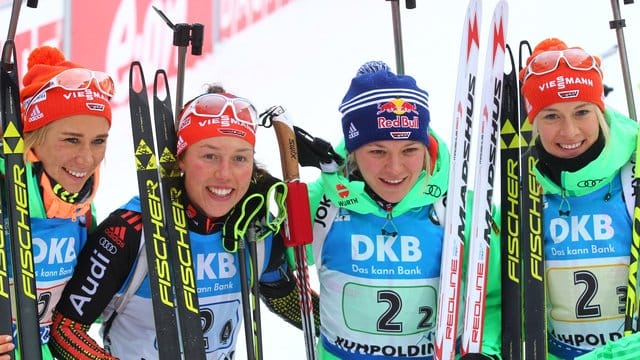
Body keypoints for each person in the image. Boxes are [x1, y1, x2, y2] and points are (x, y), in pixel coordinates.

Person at [48, 85, 319, 359]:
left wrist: (354, 327)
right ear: (182, 159)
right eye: (209, 156)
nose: (225, 174)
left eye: (239, 158)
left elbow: (284, 298)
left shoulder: (254, 226)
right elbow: (66, 330)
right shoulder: (129, 231)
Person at [298, 61, 502, 359]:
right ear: (354, 150)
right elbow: (265, 266)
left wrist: (484, 350)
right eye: (377, 151)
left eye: (409, 150)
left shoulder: (463, 209)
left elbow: (494, 297)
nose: (395, 169)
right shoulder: (320, 204)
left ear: (425, 147)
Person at [519, 38, 640, 359]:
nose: (569, 131)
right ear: (533, 122)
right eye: (551, 116)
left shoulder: (634, 174)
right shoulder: (522, 187)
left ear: (600, 110)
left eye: (582, 112)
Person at [0, 45, 114, 359]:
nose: (87, 158)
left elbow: (87, 311)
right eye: (71, 139)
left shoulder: (82, 211)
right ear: (35, 139)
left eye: (98, 141)